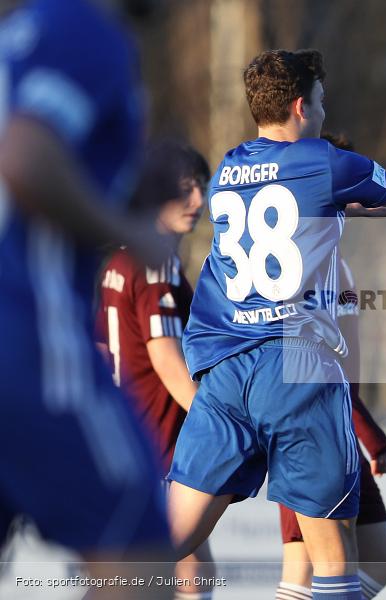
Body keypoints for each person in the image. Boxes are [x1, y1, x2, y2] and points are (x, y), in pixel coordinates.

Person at [166, 49, 386, 600]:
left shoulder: (227, 170)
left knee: (160, 542)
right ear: (300, 106)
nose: (326, 113)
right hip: (297, 368)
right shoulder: (326, 163)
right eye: (322, 101)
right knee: (334, 567)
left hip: (225, 371)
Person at [0, 1, 174, 598]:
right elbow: (25, 154)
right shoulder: (82, 28)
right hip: (27, 340)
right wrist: (127, 230)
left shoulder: (21, 36)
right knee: (141, 554)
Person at [275, 133, 386, 600]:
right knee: (307, 571)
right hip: (311, 426)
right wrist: (366, 429)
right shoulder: (306, 265)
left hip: (340, 424)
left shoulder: (338, 266)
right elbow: (315, 364)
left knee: (381, 560)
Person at [96, 141, 217, 600]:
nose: (197, 200)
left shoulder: (120, 258)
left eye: (201, 187)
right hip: (155, 444)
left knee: (188, 568)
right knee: (149, 576)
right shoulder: (156, 260)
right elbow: (165, 358)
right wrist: (217, 424)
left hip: (127, 437)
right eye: (183, 189)